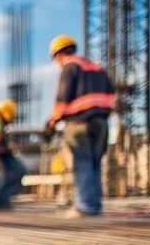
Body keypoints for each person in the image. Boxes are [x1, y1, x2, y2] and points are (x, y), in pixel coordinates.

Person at [45, 35, 115, 217]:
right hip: (101, 121)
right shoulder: (97, 67)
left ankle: (85, 206)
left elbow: (63, 96)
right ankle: (95, 204)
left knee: (82, 162)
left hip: (79, 122)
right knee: (95, 163)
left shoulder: (70, 66)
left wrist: (53, 121)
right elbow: (111, 92)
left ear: (59, 54)